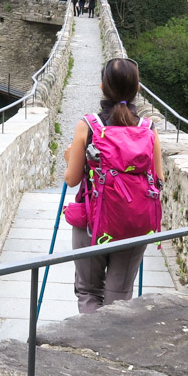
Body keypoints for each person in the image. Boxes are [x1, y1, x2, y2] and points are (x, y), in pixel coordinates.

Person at [63, 58, 163, 313]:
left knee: (88, 290)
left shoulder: (88, 126)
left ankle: (89, 346)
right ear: (137, 88)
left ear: (102, 87)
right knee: (119, 295)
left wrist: (69, 159)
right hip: (134, 224)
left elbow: (72, 179)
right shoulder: (149, 129)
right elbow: (158, 180)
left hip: (92, 222)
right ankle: (110, 346)